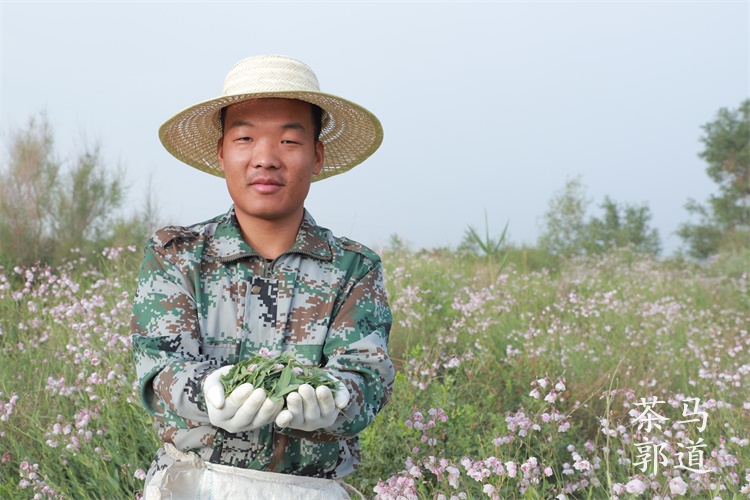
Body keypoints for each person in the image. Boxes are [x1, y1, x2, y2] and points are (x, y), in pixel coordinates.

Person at [131, 54, 394, 498]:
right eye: (245, 138)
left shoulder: (353, 267)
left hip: (308, 489)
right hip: (194, 484)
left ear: (317, 155)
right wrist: (208, 391)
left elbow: (367, 379)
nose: (266, 159)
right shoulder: (177, 255)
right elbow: (159, 369)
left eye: (290, 141)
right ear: (221, 153)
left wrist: (331, 403)